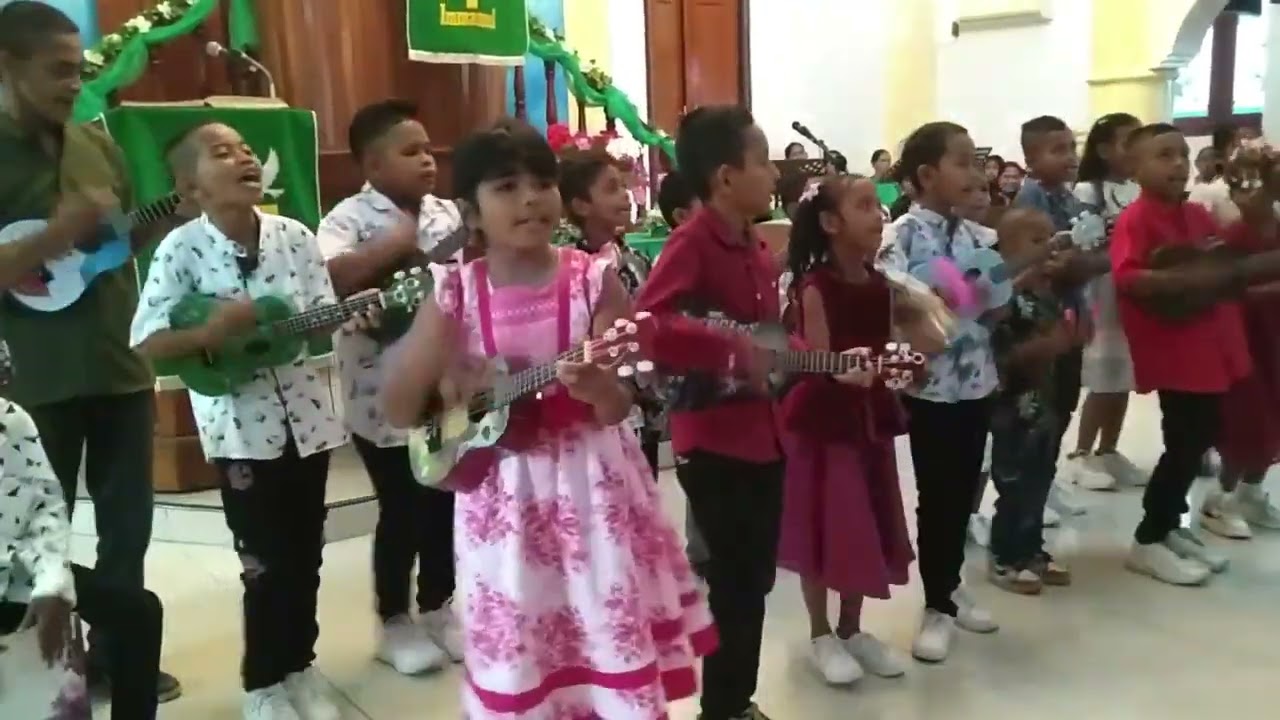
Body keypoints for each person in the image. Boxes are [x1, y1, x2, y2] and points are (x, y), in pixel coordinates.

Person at [378, 120, 715, 720]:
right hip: (503, 499)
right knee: (523, 640)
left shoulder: (592, 279)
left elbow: (622, 403)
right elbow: (402, 409)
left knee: (602, 625)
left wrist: (598, 389)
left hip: (593, 488)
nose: (530, 199)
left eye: (541, 183)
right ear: (471, 212)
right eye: (506, 187)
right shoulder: (455, 290)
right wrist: (449, 378)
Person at [131, 122, 349, 719]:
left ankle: (300, 666)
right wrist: (210, 332)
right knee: (262, 561)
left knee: (307, 552)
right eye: (222, 154)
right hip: (240, 431)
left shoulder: (296, 237)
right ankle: (263, 683)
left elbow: (323, 318)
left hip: (308, 421)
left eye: (247, 150)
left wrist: (343, 319)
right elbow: (146, 340)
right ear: (191, 187)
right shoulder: (180, 249)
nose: (243, 157)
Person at [0, 1, 181, 701]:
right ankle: (42, 661)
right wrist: (52, 236)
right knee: (35, 532)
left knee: (127, 526)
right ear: (7, 66)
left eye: (77, 72)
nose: (72, 86)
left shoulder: (96, 145)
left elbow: (109, 251)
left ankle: (115, 652)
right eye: (56, 73)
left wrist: (157, 222)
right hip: (31, 382)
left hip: (116, 362)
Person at [635, 105, 784, 720]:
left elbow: (770, 338)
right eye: (763, 160)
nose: (774, 173)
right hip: (715, 439)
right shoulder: (692, 242)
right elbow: (649, 323)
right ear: (726, 176)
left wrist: (823, 360)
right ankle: (723, 707)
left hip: (765, 433)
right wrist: (729, 349)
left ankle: (733, 700)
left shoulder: (755, 244)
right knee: (737, 581)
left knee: (753, 580)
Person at [314, 99, 461, 676]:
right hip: (378, 392)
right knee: (401, 506)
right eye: (411, 151)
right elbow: (328, 275)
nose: (427, 160)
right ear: (372, 165)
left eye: (428, 149)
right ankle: (393, 620)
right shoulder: (346, 219)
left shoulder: (447, 214)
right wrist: (396, 243)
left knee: (444, 498)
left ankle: (438, 607)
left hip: (445, 386)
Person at [779, 175, 940, 685]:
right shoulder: (815, 288)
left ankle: (852, 629)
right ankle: (820, 633)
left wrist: (907, 363)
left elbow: (889, 349)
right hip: (825, 426)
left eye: (878, 205)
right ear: (830, 223)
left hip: (868, 420)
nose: (879, 214)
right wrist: (847, 371)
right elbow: (820, 365)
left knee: (865, 525)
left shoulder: (879, 284)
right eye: (865, 206)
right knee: (825, 527)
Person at [879, 121, 999, 664]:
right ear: (927, 175)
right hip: (931, 388)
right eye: (964, 162)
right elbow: (892, 296)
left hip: (977, 381)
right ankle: (935, 604)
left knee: (966, 489)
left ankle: (949, 587)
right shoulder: (902, 234)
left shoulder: (978, 236)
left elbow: (994, 301)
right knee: (938, 494)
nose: (975, 174)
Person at [1110, 123, 1251, 586]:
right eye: (1162, 155)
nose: (1176, 163)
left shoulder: (1196, 215)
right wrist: (1183, 282)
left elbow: (1220, 263)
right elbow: (1127, 277)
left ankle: (1170, 526)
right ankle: (1147, 539)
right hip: (1178, 352)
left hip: (1213, 345)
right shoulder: (1137, 218)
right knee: (1184, 446)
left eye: (1180, 154)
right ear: (1135, 168)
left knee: (1198, 441)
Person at [0, 338, 164, 720]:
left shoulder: (11, 420)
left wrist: (52, 582)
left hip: (18, 572)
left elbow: (44, 506)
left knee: (138, 612)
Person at [986, 209, 1087, 594]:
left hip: (1047, 404)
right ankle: (1004, 554)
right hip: (1016, 408)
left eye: (1051, 238)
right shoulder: (1005, 299)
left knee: (1041, 479)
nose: (1049, 248)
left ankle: (1031, 550)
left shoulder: (1052, 293)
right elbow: (1003, 358)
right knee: (1013, 483)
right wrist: (1048, 346)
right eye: (1036, 241)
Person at [1013, 115, 1101, 512]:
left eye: (1071, 147)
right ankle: (1029, 486)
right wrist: (1073, 263)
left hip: (1070, 313)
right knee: (1038, 407)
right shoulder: (1030, 201)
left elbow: (1084, 257)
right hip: (1039, 321)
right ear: (1030, 159)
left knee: (1064, 401)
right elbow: (1036, 263)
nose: (1070, 157)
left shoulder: (1072, 200)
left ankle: (1045, 481)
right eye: (1057, 149)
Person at [556, 146, 661, 474]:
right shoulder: (567, 270)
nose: (625, 196)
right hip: (589, 412)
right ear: (580, 204)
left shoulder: (631, 259)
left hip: (639, 402)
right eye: (611, 188)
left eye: (624, 186)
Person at [1199, 148, 1280, 538]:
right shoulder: (1236, 235)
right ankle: (1220, 498)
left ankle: (1251, 490)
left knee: (1274, 415)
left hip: (1275, 335)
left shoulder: (1277, 226)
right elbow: (1226, 289)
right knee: (1245, 418)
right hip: (1245, 337)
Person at [1065, 113, 1144, 491]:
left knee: (1125, 374)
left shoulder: (1138, 189)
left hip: (1133, 292)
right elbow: (1082, 241)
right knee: (1102, 373)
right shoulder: (1086, 192)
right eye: (1129, 141)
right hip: (1102, 291)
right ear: (1103, 148)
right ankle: (1082, 452)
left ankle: (1109, 449)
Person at [655, 169, 711, 577]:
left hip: (722, 387)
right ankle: (703, 549)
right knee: (700, 472)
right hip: (691, 390)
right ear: (679, 215)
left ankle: (707, 545)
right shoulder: (678, 257)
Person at [1188, 124, 1244, 225]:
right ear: (1230, 143)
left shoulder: (1232, 168)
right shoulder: (1226, 169)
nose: (1241, 144)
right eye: (1238, 140)